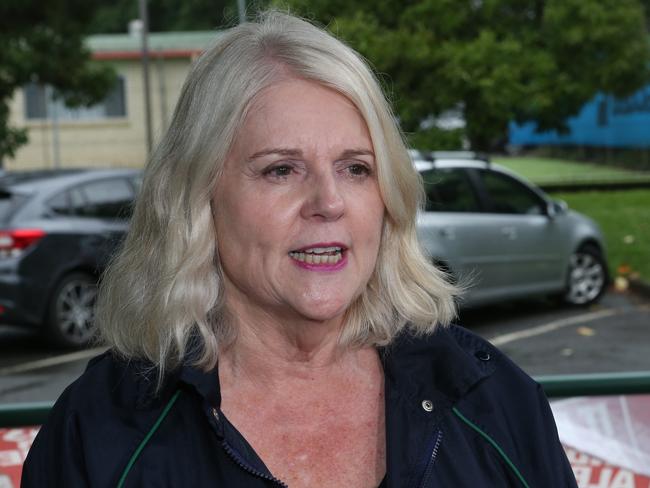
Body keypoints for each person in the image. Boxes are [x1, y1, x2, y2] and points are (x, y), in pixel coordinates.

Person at [22, 11, 578, 488]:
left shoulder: (493, 399)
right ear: (198, 197)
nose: (328, 202)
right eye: (281, 169)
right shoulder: (98, 432)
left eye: (356, 168)